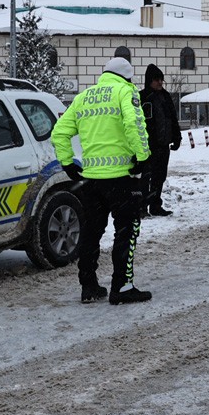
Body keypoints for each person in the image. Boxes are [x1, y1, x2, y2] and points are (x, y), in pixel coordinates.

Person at [51, 57, 153, 305]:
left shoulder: (84, 97)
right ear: (127, 76)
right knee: (126, 232)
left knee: (91, 233)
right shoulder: (125, 91)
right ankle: (122, 287)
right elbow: (134, 123)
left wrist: (67, 163)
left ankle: (89, 286)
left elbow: (59, 132)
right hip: (121, 179)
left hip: (91, 181)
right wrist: (143, 157)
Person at [139, 63, 183, 216]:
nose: (159, 83)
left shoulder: (165, 96)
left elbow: (172, 118)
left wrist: (176, 137)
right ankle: (142, 207)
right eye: (156, 80)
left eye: (161, 80)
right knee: (145, 178)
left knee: (159, 177)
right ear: (149, 80)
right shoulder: (142, 97)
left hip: (163, 145)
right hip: (147, 146)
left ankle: (155, 206)